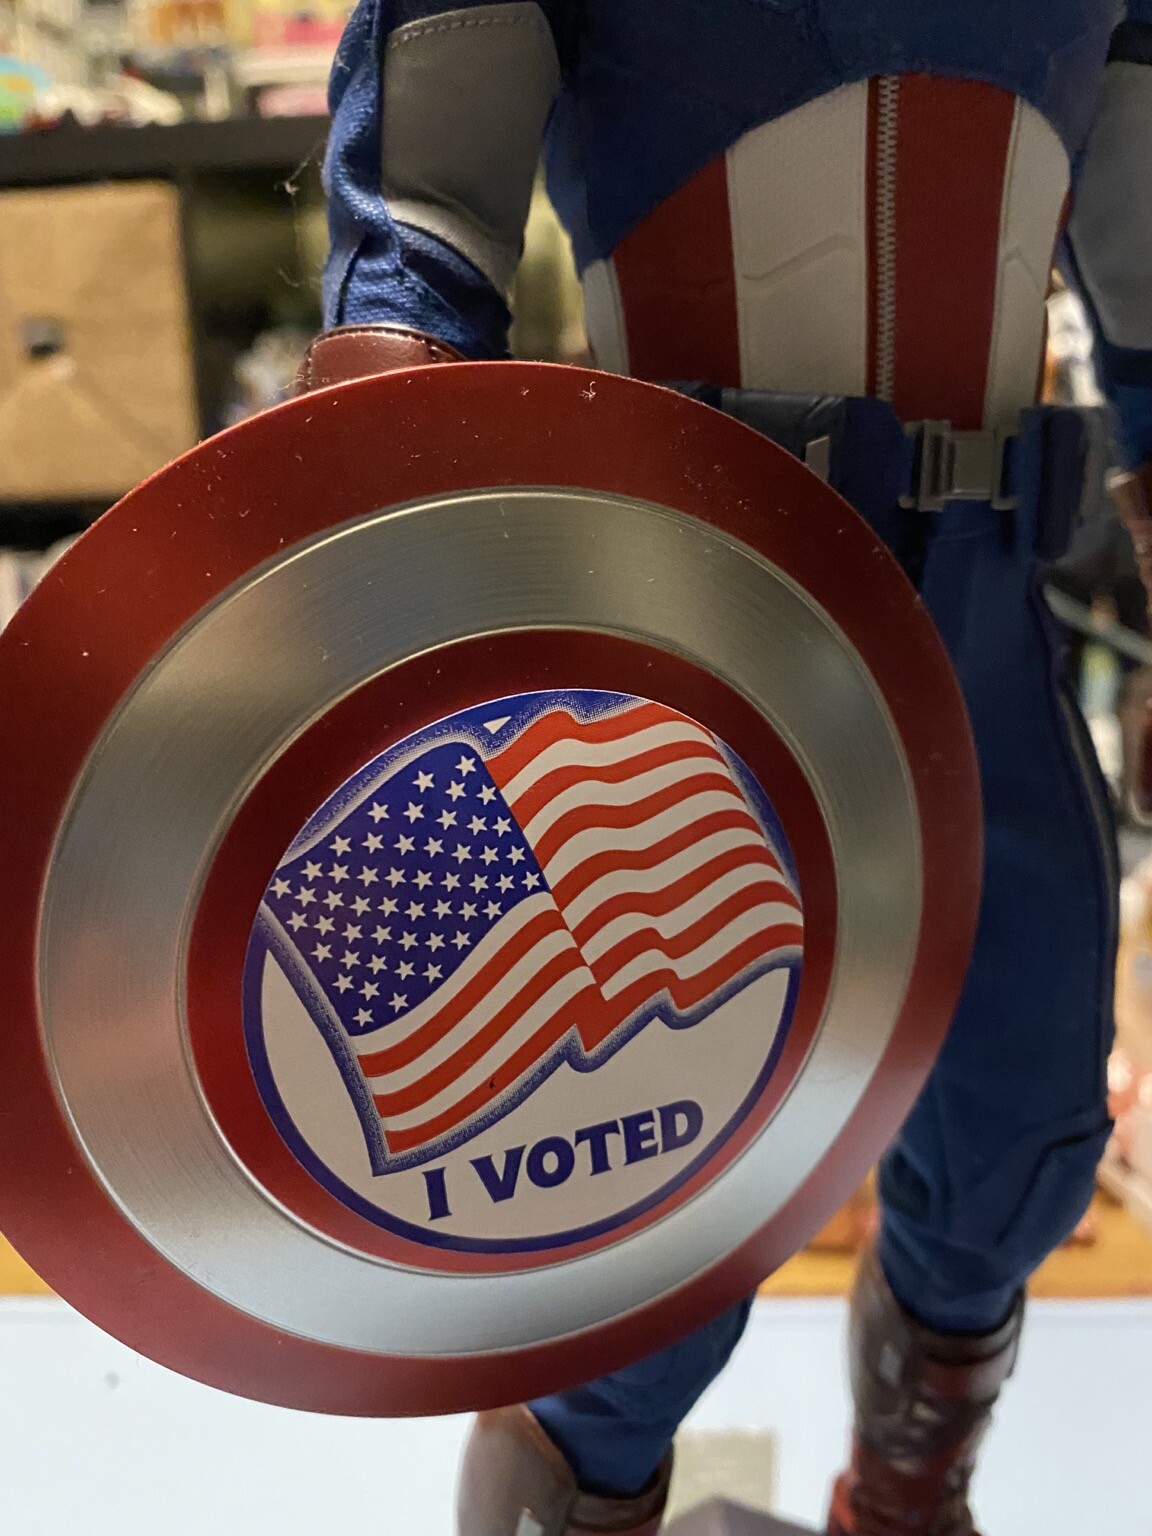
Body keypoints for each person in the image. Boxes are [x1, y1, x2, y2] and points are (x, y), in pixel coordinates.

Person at [304, 4, 1152, 1531]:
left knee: (1021, 1119)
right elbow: (431, 172)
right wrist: (383, 508)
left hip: (981, 600)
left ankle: (911, 1493)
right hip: (706, 603)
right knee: (633, 1182)